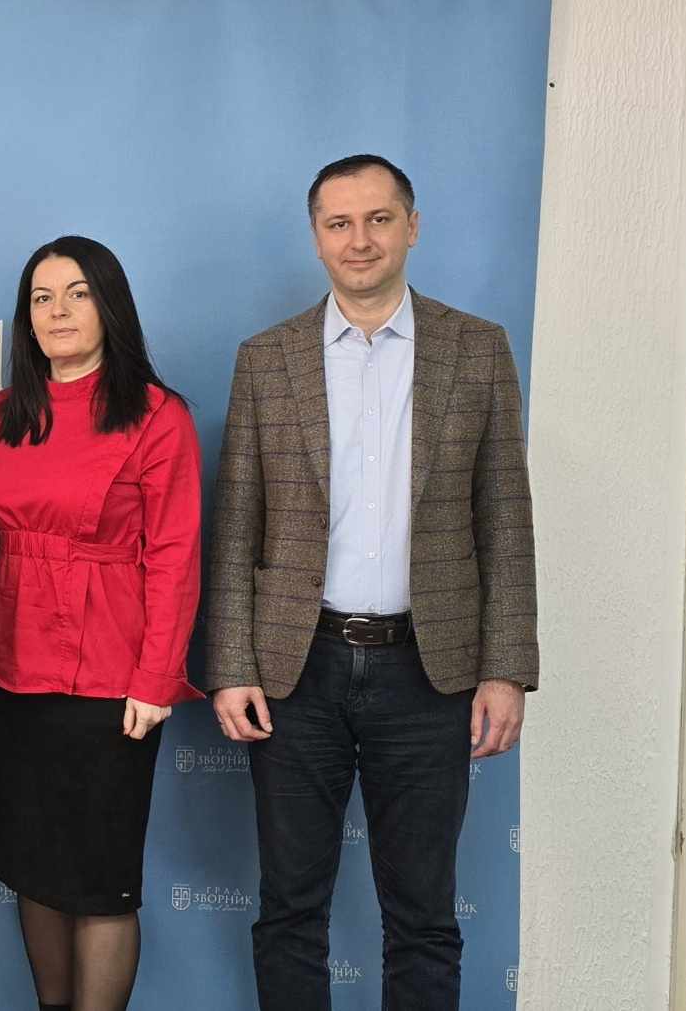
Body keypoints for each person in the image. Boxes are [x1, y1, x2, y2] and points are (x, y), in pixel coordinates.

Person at [205, 154, 539, 1010]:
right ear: (316, 237)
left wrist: (506, 668)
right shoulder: (266, 358)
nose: (360, 239)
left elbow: (505, 518)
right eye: (340, 223)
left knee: (423, 916)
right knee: (290, 909)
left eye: (379, 219)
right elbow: (237, 522)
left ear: (412, 227)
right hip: (296, 669)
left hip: (429, 670)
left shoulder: (477, 349)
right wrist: (232, 665)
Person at [0, 235, 202, 1011]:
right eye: (42, 298)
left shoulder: (157, 416)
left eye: (78, 293)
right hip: (11, 672)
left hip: (112, 683)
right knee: (36, 871)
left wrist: (156, 679)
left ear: (110, 305)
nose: (58, 311)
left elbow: (176, 557)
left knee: (100, 882)